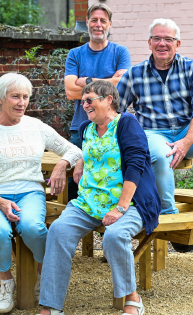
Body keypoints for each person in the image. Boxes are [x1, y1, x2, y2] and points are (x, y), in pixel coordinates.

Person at [37, 81, 160, 315]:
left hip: (130, 203)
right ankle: (50, 307)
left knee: (114, 237)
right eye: (82, 101)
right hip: (88, 203)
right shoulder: (86, 128)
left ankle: (132, 299)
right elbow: (78, 150)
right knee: (58, 231)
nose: (84, 105)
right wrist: (73, 163)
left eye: (89, 100)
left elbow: (136, 166)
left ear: (108, 100)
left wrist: (120, 208)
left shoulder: (126, 124)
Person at [116, 18, 193, 251]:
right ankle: (173, 222)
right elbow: (115, 111)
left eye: (168, 39)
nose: (163, 43)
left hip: (186, 130)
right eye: (157, 39)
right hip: (152, 132)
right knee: (160, 155)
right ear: (149, 43)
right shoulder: (134, 74)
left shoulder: (192, 68)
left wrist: (186, 141)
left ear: (177, 43)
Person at [0, 73, 82, 313]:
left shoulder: (35, 126)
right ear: (0, 99)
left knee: (33, 227)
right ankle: (6, 281)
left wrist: (62, 164)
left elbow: (73, 149)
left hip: (29, 193)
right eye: (15, 97)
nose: (22, 102)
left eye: (26, 97)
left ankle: (43, 275)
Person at [64, 2, 131, 200]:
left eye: (103, 21)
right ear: (87, 23)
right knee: (75, 179)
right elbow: (69, 91)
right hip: (81, 126)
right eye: (94, 20)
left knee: (112, 174)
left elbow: (121, 87)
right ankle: (75, 223)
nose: (98, 25)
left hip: (113, 126)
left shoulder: (120, 53)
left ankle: (110, 221)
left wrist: (86, 81)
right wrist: (108, 83)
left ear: (110, 24)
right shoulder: (75, 54)